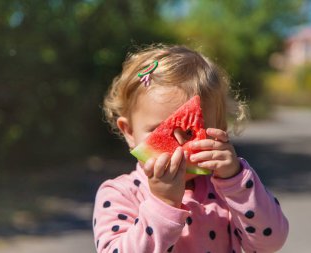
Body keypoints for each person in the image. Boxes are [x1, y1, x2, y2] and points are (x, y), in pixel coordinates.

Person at [93, 44, 289, 253]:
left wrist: (235, 179)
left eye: (190, 132)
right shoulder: (120, 194)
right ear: (129, 132)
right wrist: (163, 204)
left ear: (219, 130)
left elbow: (270, 242)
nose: (178, 145)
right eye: (161, 130)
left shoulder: (230, 191)